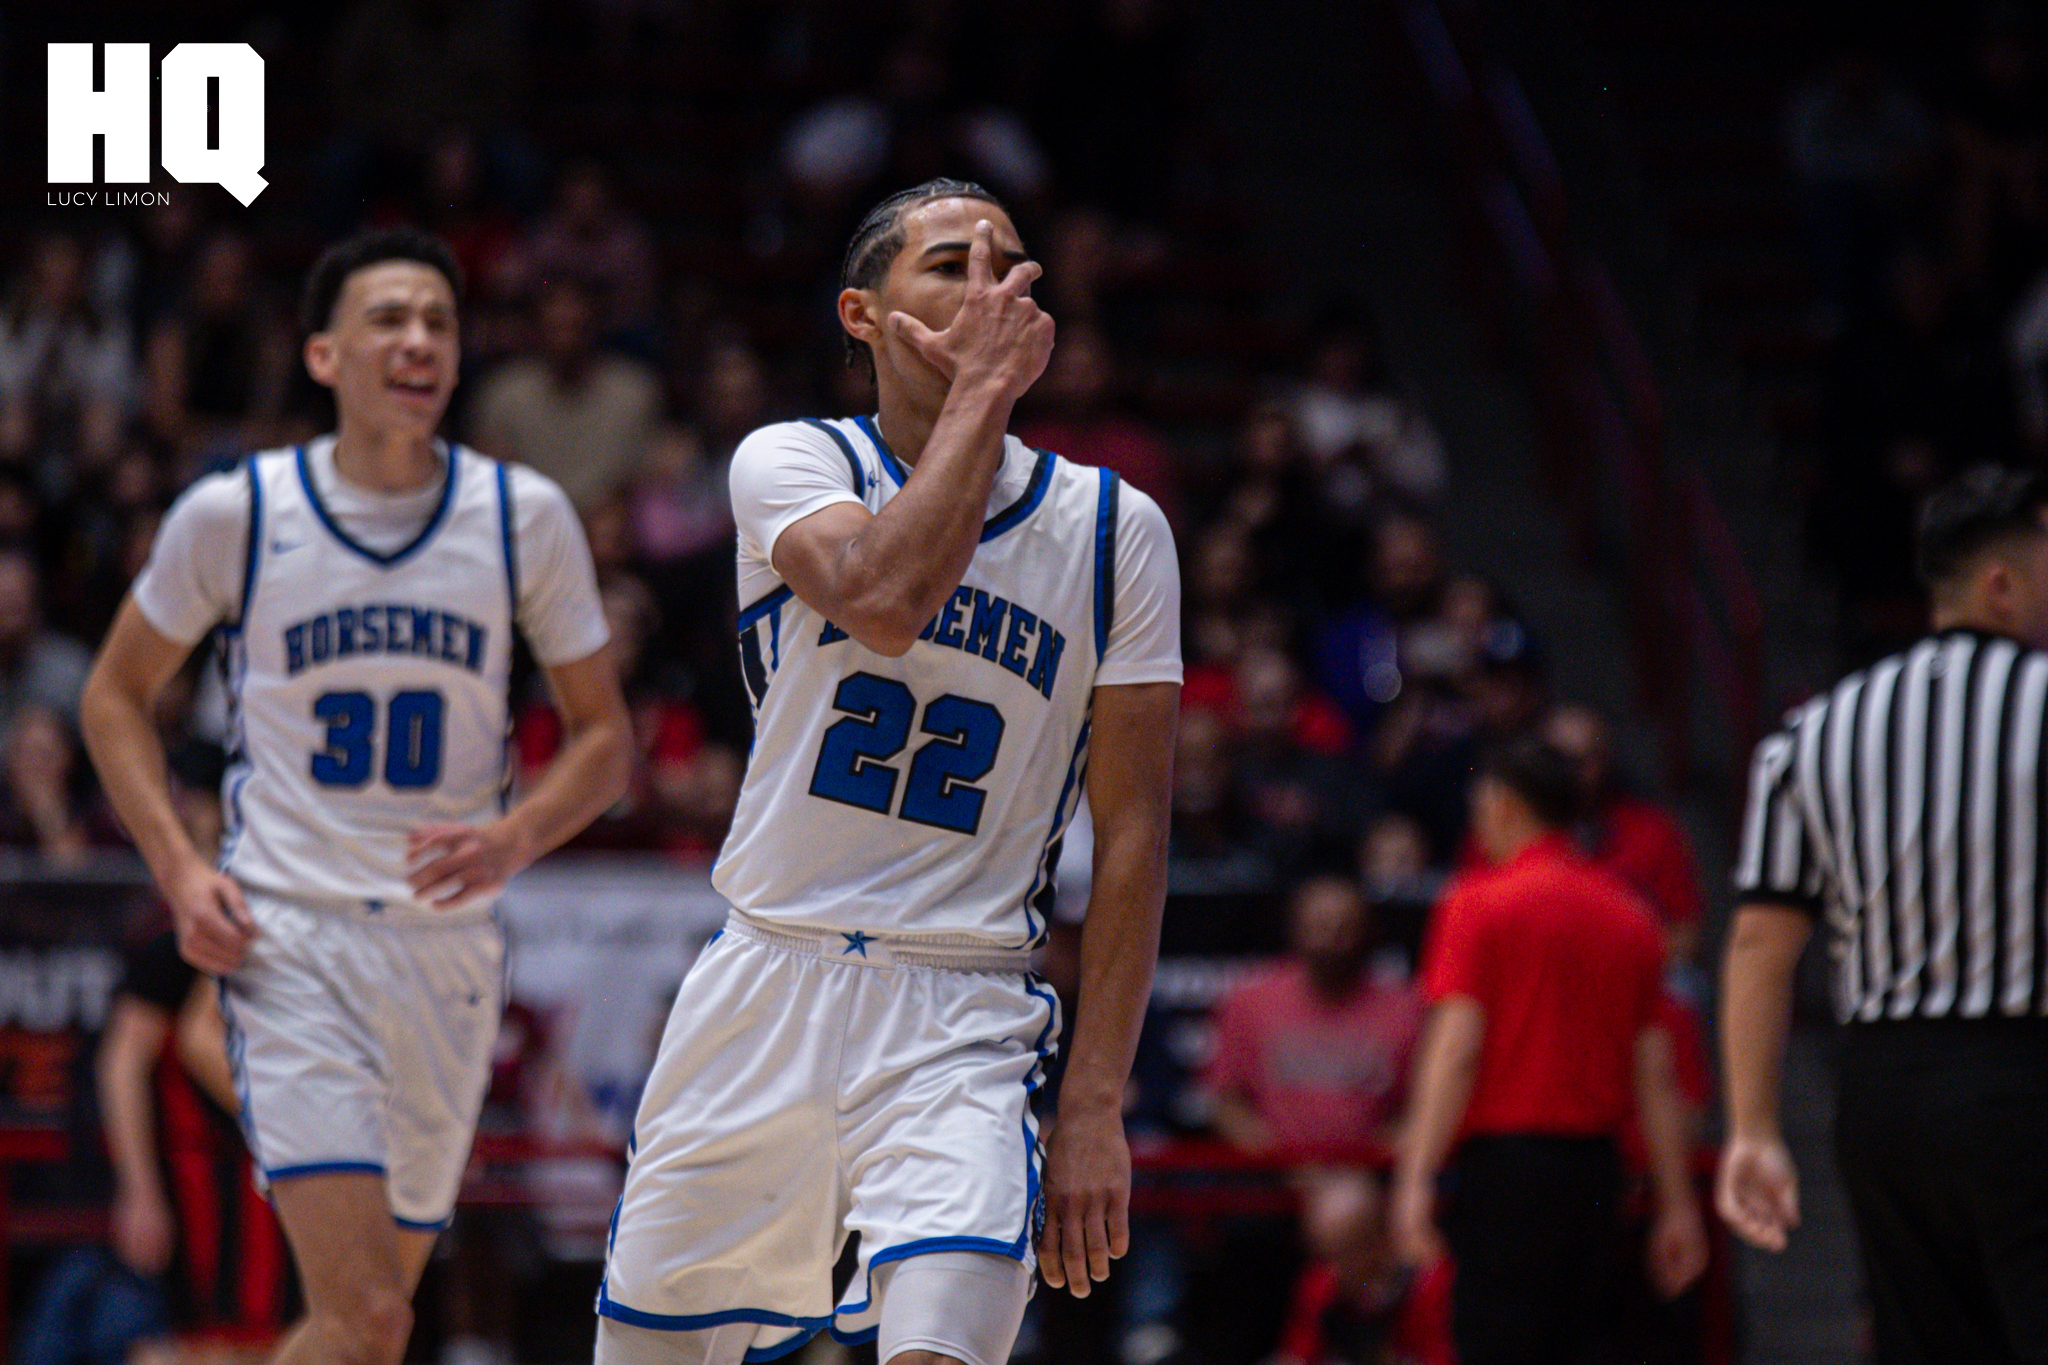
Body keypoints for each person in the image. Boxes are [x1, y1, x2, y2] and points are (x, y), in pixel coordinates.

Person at [597, 178, 1181, 1365]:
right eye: (951, 265)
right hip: (768, 976)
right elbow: (883, 599)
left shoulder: (1118, 533)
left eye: (1009, 265)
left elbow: (1130, 836)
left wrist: (1092, 1106)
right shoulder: (790, 463)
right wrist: (980, 394)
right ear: (862, 316)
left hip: (960, 1004)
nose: (990, 288)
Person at [79, 225, 632, 1365]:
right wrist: (183, 874)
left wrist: (514, 835)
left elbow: (604, 742)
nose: (419, 340)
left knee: (367, 1333)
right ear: (323, 355)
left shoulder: (522, 517)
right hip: (290, 946)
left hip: (446, 955)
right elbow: (113, 697)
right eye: (389, 318)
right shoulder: (238, 514)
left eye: (439, 320)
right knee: (371, 1313)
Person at [1722, 465, 2048, 1363]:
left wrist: (1752, 1127)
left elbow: (1759, 938)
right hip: (2023, 1078)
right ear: (2001, 583)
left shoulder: (1814, 729)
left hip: (1882, 1097)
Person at [1393, 735, 1706, 1365]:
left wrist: (1415, 1176)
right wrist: (1678, 1204)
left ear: (1505, 804)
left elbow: (1456, 1049)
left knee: (1498, 1343)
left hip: (1505, 1173)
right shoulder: (1632, 916)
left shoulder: (1475, 904)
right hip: (1598, 1172)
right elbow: (1655, 1073)